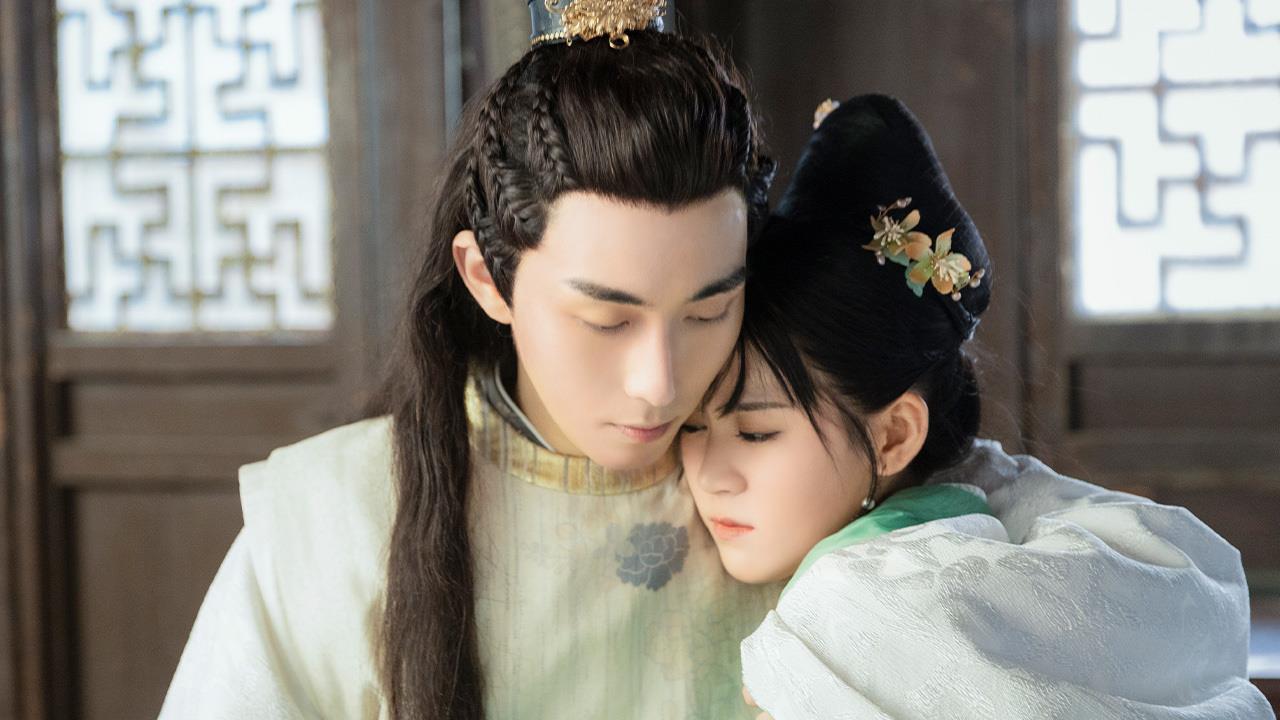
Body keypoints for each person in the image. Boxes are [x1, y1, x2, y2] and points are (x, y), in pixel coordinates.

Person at [159, 2, 785, 718]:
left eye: (707, 313)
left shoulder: (801, 494)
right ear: (488, 278)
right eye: (606, 321)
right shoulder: (331, 522)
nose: (660, 383)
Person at [681, 94, 1274, 719]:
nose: (709, 476)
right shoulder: (951, 523)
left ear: (894, 436)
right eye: (691, 425)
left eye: (755, 432)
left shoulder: (858, 606)